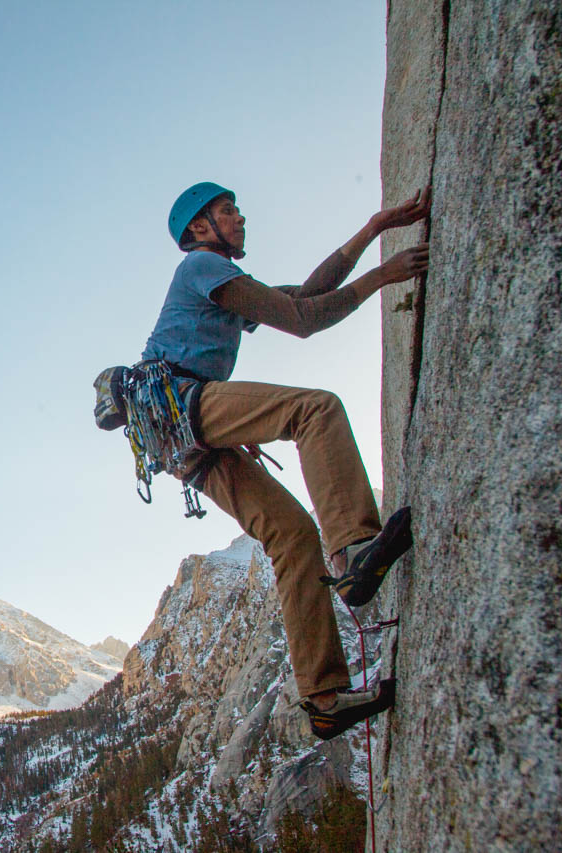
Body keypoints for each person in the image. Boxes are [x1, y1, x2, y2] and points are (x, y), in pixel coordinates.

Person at [144, 181, 430, 739]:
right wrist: (381, 275)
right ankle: (352, 550)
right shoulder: (201, 267)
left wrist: (372, 231)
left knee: (294, 536)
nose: (242, 217)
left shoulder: (220, 282)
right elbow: (304, 321)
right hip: (182, 405)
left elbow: (305, 296)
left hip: (171, 436)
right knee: (314, 410)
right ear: (201, 229)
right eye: (230, 211)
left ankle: (323, 697)